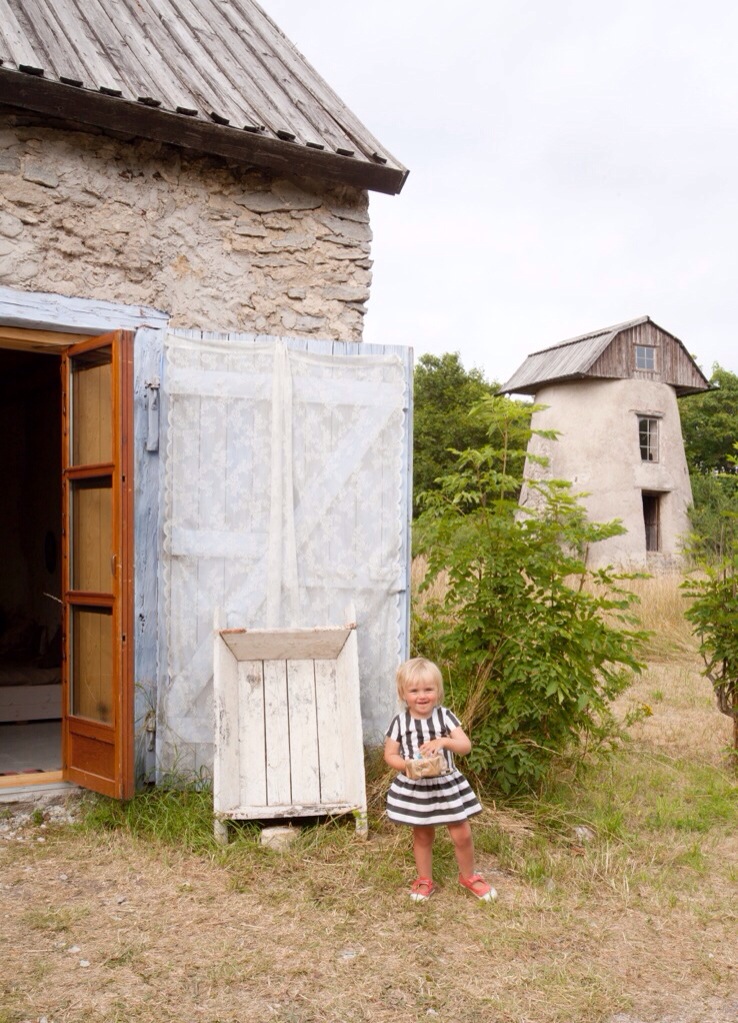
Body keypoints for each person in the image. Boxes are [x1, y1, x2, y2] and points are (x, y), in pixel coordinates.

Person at [383, 656, 497, 903]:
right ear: (403, 694)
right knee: (423, 835)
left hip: (446, 785)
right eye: (414, 690)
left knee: (461, 833)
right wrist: (407, 766)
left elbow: (465, 746)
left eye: (428, 689)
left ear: (438, 691)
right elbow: (389, 754)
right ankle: (425, 879)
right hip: (417, 787)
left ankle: (469, 876)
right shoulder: (400, 722)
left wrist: (444, 741)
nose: (422, 696)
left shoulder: (445, 716)